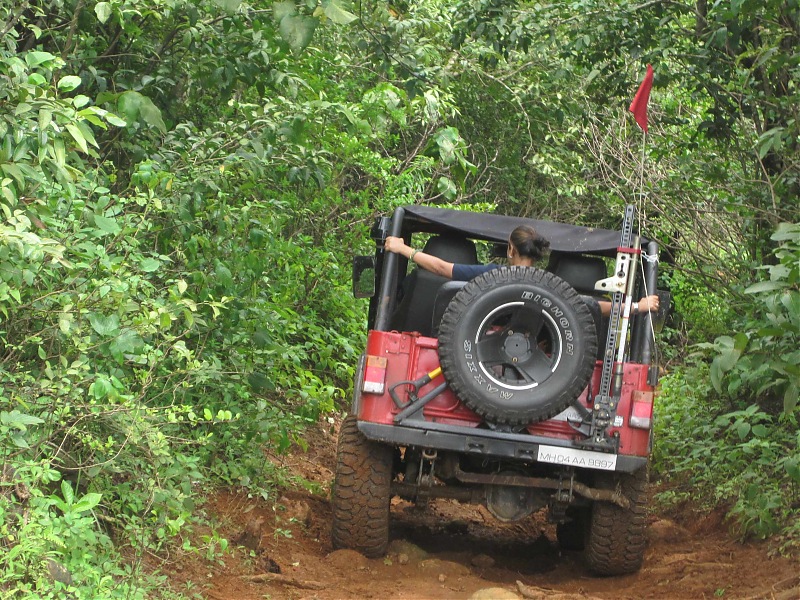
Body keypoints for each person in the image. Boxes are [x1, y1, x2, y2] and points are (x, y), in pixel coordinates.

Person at [384, 225, 660, 316]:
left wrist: (403, 248)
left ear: (510, 249)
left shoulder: (491, 275)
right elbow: (593, 305)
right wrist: (637, 306)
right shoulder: (551, 286)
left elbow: (442, 268)